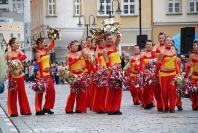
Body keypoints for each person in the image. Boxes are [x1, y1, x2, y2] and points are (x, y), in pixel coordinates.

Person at [6, 37, 31, 117]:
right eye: (16, 43)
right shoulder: (9, 53)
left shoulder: (18, 50)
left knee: (22, 92)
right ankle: (13, 112)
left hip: (20, 75)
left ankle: (25, 110)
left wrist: (17, 59)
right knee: (13, 92)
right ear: (12, 44)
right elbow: (9, 64)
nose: (18, 44)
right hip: (13, 75)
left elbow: (24, 56)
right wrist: (17, 60)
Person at [157, 36, 179, 113]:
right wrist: (155, 74)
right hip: (163, 75)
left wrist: (178, 74)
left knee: (172, 91)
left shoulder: (174, 51)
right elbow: (158, 64)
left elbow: (176, 63)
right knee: (164, 92)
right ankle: (165, 107)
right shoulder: (162, 52)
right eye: (167, 40)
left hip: (173, 74)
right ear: (165, 42)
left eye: (170, 41)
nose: (169, 42)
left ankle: (172, 107)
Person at [34, 38, 55, 115]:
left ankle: (47, 107)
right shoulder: (37, 53)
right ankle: (38, 109)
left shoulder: (46, 50)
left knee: (51, 91)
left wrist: (54, 37)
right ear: (39, 43)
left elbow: (52, 45)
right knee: (39, 92)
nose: (45, 44)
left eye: (45, 42)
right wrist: (42, 77)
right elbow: (39, 64)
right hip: (41, 74)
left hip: (48, 74)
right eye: (43, 43)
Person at [65, 41, 87, 114]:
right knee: (73, 93)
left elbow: (83, 62)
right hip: (73, 75)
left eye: (78, 45)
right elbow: (67, 67)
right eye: (75, 45)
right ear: (71, 45)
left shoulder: (80, 53)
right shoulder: (68, 55)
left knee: (81, 92)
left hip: (81, 74)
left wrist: (83, 70)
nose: (77, 46)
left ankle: (79, 108)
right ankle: (69, 109)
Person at [103, 33, 122, 115]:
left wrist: (117, 34)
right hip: (112, 71)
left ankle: (116, 108)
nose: (110, 40)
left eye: (111, 38)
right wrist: (111, 70)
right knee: (111, 90)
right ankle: (110, 109)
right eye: (108, 39)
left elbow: (118, 38)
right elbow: (107, 61)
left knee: (119, 90)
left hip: (119, 70)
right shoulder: (104, 50)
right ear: (105, 40)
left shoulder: (114, 46)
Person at [92, 37, 108, 113]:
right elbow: (96, 61)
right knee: (100, 91)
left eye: (103, 41)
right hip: (101, 72)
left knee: (106, 90)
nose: (103, 43)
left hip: (107, 71)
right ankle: (99, 107)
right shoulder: (97, 51)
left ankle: (104, 106)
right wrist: (99, 70)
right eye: (101, 41)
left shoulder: (106, 50)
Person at [140, 40, 156, 110]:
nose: (148, 46)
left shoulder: (154, 54)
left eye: (150, 44)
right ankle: (145, 102)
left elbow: (156, 64)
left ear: (152, 46)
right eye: (147, 44)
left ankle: (150, 102)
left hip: (152, 74)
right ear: (145, 45)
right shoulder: (142, 54)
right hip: (145, 74)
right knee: (145, 89)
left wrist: (153, 72)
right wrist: (145, 71)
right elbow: (141, 64)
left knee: (151, 89)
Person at [186, 40, 198, 110]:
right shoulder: (191, 55)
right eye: (194, 45)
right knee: (193, 92)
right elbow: (191, 67)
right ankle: (194, 105)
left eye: (196, 45)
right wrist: (188, 77)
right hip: (194, 76)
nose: (195, 46)